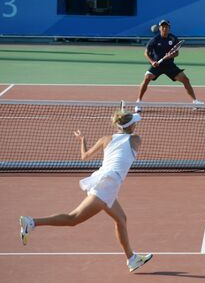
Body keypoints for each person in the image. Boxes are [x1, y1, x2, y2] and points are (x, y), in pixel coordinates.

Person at [19, 110, 153, 273]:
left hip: (106, 181)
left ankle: (132, 259)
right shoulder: (136, 139)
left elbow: (84, 156)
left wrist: (83, 140)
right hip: (108, 184)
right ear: (129, 125)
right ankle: (31, 222)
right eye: (134, 122)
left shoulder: (105, 139)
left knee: (121, 219)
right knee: (73, 219)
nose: (136, 125)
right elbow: (126, 145)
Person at [135, 19, 203, 113]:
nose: (164, 28)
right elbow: (146, 53)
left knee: (185, 80)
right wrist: (152, 62)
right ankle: (138, 102)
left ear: (169, 28)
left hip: (169, 65)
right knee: (147, 77)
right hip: (157, 65)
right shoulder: (154, 40)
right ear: (159, 28)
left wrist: (171, 55)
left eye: (166, 26)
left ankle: (195, 101)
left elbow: (177, 53)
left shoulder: (173, 39)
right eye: (162, 26)